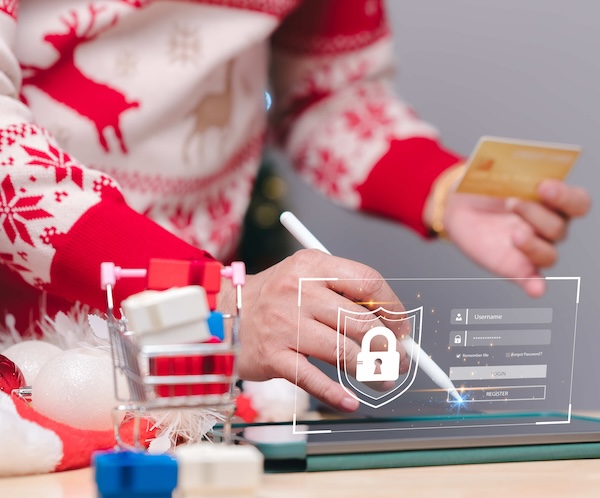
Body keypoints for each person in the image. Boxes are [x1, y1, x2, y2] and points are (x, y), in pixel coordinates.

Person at [0, 0, 590, 414]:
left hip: (181, 355)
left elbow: (326, 88)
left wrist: (436, 185)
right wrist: (221, 302)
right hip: (27, 344)